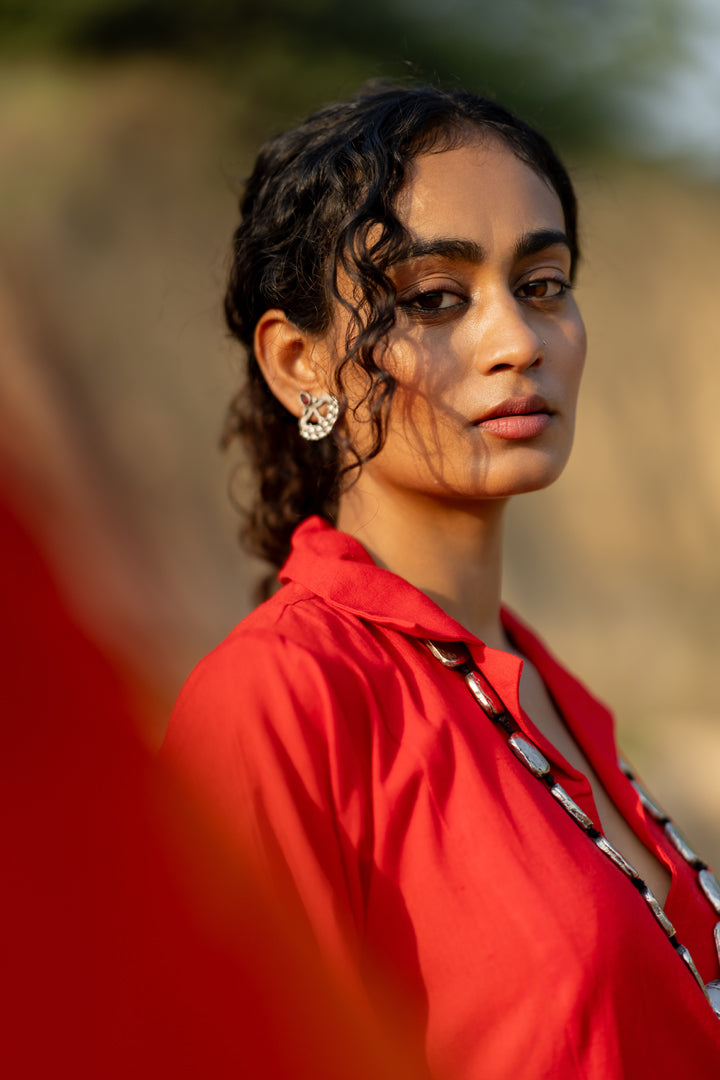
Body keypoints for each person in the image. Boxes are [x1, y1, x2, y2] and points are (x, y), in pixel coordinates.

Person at [163, 83, 720, 1078]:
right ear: (298, 364)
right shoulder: (278, 703)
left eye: (542, 283)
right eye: (433, 299)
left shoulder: (546, 691)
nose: (520, 342)